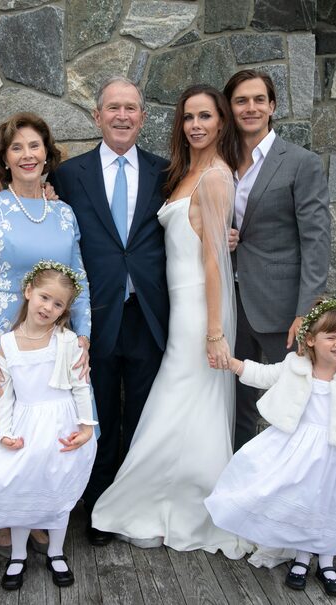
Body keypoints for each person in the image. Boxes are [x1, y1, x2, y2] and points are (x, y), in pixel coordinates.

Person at [89, 85, 250, 555]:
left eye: (206, 116)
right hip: (177, 309)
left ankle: (188, 505)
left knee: (181, 402)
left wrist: (216, 331)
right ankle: (165, 500)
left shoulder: (216, 176)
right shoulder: (182, 172)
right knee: (179, 405)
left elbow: (216, 262)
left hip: (200, 311)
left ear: (221, 121)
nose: (196, 125)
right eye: (188, 118)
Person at [0, 112, 91, 556]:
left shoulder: (64, 214)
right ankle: (2, 514)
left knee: (45, 423)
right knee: (1, 425)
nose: (27, 155)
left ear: (47, 153)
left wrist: (84, 336)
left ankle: (34, 512)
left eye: (35, 146)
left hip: (52, 337)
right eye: (17, 148)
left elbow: (79, 280)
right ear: (5, 158)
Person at [48, 76, 169, 546]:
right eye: (113, 108)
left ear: (142, 117)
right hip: (92, 318)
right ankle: (98, 508)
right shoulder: (69, 175)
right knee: (95, 414)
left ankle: (132, 505)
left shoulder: (166, 173)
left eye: (131, 108)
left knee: (141, 415)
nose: (122, 116)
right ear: (96, 116)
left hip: (149, 315)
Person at [204, 298, 336, 597]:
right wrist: (233, 364)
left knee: (331, 505)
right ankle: (301, 557)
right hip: (299, 451)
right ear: (311, 339)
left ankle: (326, 561)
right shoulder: (295, 367)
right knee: (304, 503)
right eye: (332, 337)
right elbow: (263, 374)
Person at [0, 261, 97, 590]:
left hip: (61, 422)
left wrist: (86, 426)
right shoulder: (8, 343)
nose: (48, 307)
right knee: (21, 488)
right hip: (26, 422)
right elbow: (5, 394)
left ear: (65, 310)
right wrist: (6, 431)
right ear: (28, 292)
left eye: (58, 304)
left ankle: (55, 552)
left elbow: (81, 385)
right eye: (44, 297)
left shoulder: (66, 340)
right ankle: (19, 555)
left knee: (57, 488)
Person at [223, 69, 331, 452]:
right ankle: (238, 484)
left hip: (283, 308)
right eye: (241, 101)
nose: (250, 107)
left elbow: (316, 241)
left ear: (271, 106)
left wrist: (307, 312)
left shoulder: (301, 163)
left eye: (257, 99)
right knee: (237, 404)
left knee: (297, 401)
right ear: (231, 108)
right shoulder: (220, 160)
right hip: (231, 302)